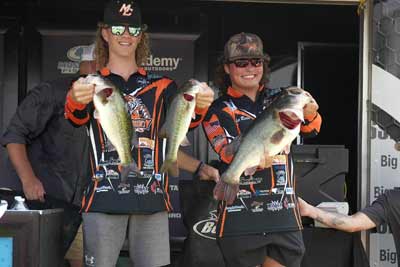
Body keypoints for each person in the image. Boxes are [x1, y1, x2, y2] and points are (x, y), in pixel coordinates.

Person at [64, 1, 217, 266]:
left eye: (133, 29)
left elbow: (184, 126)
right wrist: (75, 99)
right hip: (103, 196)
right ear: (105, 33)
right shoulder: (90, 84)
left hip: (152, 197)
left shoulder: (164, 86)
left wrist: (201, 105)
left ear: (141, 35)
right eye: (117, 28)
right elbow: (75, 118)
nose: (125, 35)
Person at [202, 32, 322, 267]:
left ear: (264, 65)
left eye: (256, 62)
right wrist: (254, 159)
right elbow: (226, 152)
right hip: (241, 216)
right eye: (241, 63)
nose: (250, 68)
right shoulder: (218, 109)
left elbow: (313, 129)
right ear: (227, 68)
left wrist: (311, 113)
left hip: (284, 215)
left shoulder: (282, 97)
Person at [0, 49, 95, 267]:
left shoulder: (106, 102)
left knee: (78, 260)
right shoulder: (53, 91)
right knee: (35, 259)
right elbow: (14, 135)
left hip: (78, 206)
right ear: (88, 66)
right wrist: (28, 179)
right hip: (40, 202)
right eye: (102, 64)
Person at [298, 191, 400, 266]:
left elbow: (353, 224)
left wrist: (310, 210)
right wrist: (309, 210)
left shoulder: (394, 199)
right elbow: (353, 224)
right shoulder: (394, 199)